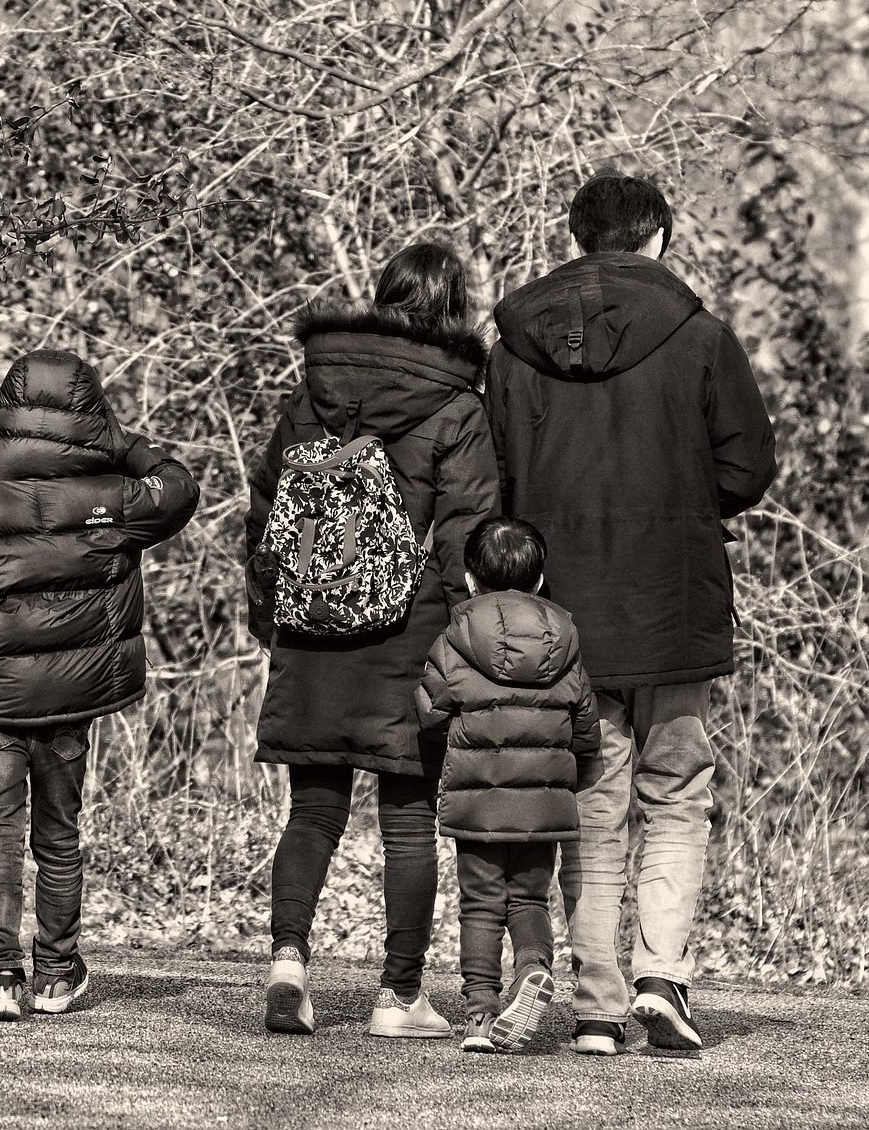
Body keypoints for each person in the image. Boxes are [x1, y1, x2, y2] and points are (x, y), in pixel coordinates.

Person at [486, 172, 777, 1054]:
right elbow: (748, 466)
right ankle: (661, 975)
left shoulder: (514, 347)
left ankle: (600, 1005)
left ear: (580, 237)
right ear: (657, 237)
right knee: (678, 794)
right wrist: (682, 499)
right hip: (676, 595)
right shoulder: (699, 336)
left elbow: (493, 479)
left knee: (593, 798)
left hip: (563, 607)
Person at [0, 348, 199, 1022]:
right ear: (89, 412)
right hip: (73, 693)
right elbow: (180, 484)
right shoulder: (115, 499)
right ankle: (55, 974)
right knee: (58, 830)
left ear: (5, 409)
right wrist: (120, 443)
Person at [245, 241, 499, 1038]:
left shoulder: (313, 390)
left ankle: (290, 961)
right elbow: (467, 534)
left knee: (312, 812)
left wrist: (271, 618)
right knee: (408, 817)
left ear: (382, 297)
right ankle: (398, 995)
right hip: (409, 629)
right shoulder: (457, 405)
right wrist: (468, 649)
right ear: (453, 310)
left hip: (312, 626)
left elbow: (267, 513)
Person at [415, 517, 598, 1055]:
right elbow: (586, 728)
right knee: (529, 898)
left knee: (480, 903)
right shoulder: (564, 639)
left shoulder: (457, 637)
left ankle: (479, 1017)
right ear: (540, 580)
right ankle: (534, 969)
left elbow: (428, 710)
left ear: (471, 580)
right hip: (544, 801)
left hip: (477, 798)